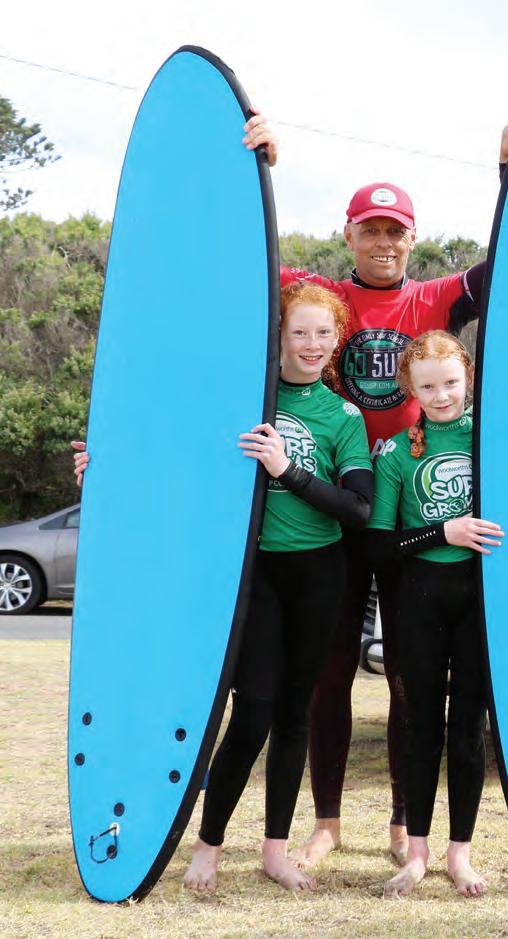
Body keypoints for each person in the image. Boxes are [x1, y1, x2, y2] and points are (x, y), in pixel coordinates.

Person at [240, 105, 508, 870]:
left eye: (394, 232)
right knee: (327, 671)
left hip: (406, 513)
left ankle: (406, 820)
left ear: (411, 237)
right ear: (349, 235)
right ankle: (327, 820)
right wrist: (258, 164)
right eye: (369, 230)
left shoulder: (434, 298)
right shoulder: (314, 294)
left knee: (409, 675)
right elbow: (240, 249)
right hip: (333, 510)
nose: (382, 242)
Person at [74, 282, 374, 891]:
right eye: (299, 331)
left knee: (295, 715)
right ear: (278, 335)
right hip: (253, 575)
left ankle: (275, 851)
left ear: (337, 339)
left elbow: (358, 509)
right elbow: (172, 461)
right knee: (253, 711)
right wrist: (103, 470)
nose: (311, 344)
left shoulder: (344, 417)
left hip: (319, 575)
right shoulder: (244, 401)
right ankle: (208, 847)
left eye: (323, 333)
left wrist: (286, 470)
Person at [363, 329, 502, 898]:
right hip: (419, 600)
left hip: (479, 600)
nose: (441, 395)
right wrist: (443, 531)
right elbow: (378, 546)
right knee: (420, 726)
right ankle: (416, 853)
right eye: (428, 387)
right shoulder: (397, 453)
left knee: (468, 728)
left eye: (450, 383)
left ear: (467, 376)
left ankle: (459, 853)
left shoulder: (492, 441)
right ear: (410, 389)